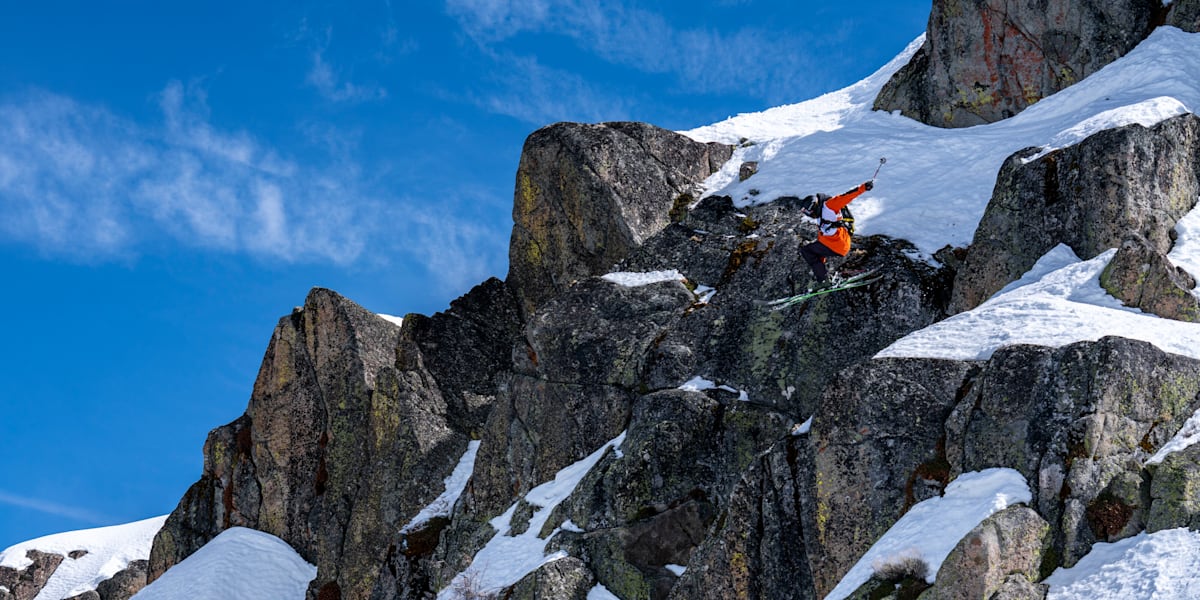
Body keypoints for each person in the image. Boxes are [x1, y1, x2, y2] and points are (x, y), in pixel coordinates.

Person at [799, 180, 873, 290]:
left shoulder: (830, 205)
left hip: (837, 244)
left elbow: (847, 196)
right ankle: (823, 277)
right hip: (834, 243)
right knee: (811, 250)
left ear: (814, 206)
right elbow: (822, 239)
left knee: (806, 251)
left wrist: (863, 188)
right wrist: (820, 263)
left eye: (811, 213)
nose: (812, 216)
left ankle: (823, 281)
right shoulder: (821, 213)